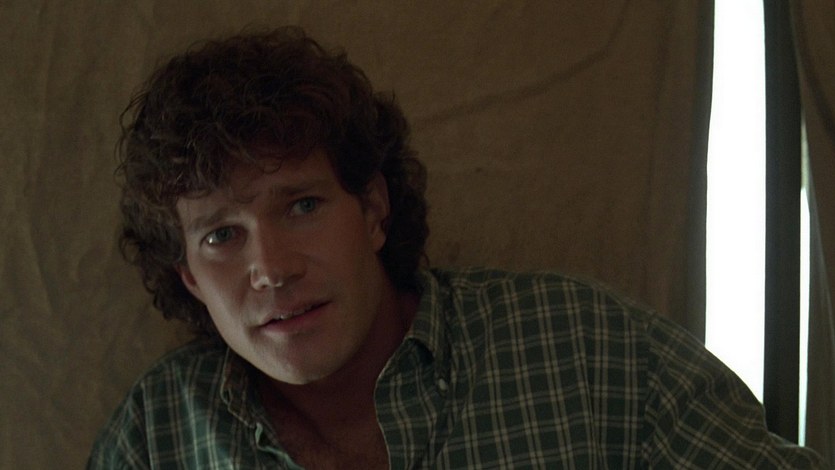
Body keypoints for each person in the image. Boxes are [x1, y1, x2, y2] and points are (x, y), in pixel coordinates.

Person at [88, 27, 824, 469]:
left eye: (303, 206)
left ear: (373, 211)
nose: (272, 269)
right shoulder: (158, 434)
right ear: (189, 277)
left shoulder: (586, 354)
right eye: (222, 235)